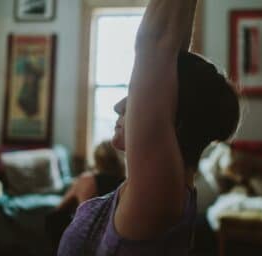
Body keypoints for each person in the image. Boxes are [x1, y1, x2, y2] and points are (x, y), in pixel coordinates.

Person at [58, 0, 240, 254]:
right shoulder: (162, 186)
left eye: (134, 96)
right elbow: (170, 51)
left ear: (171, 119)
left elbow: (155, 42)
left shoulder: (159, 191)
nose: (119, 106)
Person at [46, 141, 125, 251]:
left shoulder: (87, 180)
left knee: (54, 217)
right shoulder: (127, 185)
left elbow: (60, 208)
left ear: (97, 160)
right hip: (115, 236)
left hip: (88, 236)